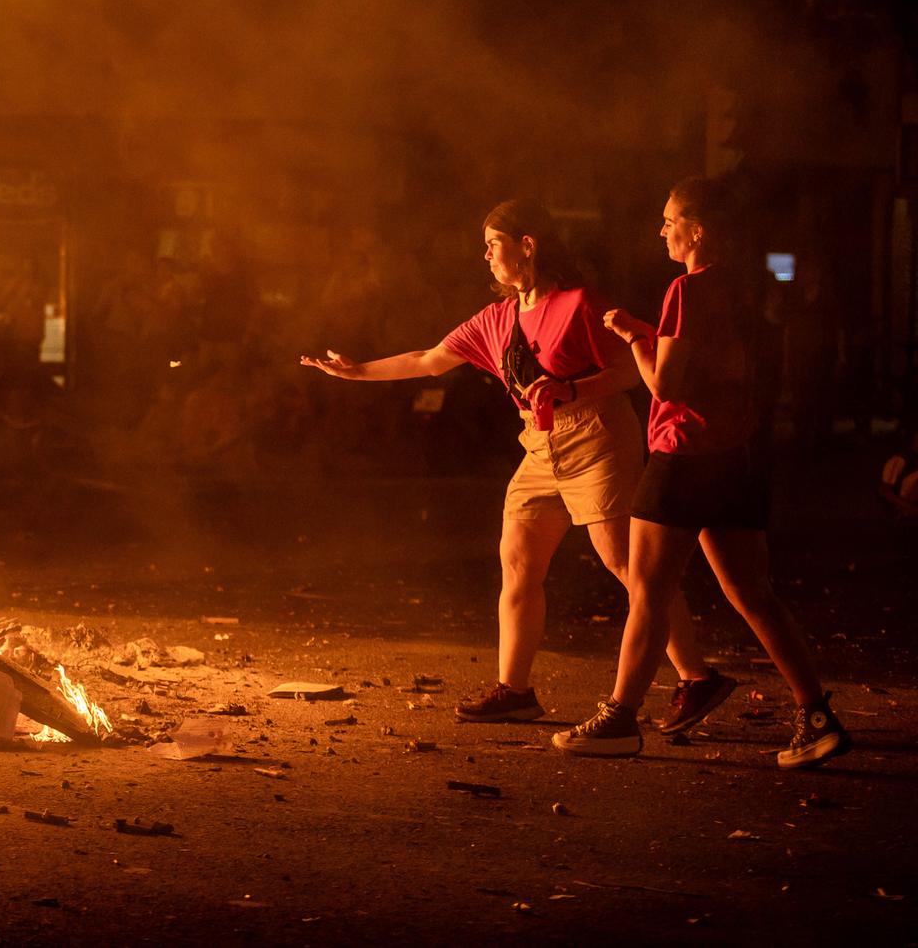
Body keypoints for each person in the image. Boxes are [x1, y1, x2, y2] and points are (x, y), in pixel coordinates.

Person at [303, 200, 719, 725]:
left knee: (630, 566)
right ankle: (514, 690)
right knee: (518, 562)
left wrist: (569, 388)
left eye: (493, 243)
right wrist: (356, 372)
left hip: (598, 438)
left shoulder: (579, 303)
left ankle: (697, 677)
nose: (485, 255)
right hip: (540, 445)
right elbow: (429, 360)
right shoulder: (498, 318)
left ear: (528, 245)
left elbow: (628, 374)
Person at [554, 178, 851, 766]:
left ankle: (618, 718)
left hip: (683, 455)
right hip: (736, 456)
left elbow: (665, 382)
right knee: (753, 594)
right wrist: (647, 332)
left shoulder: (687, 288)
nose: (661, 230)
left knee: (648, 591)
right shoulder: (746, 288)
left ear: (699, 230)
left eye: (670, 221)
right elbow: (711, 365)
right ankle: (816, 715)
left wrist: (630, 340)